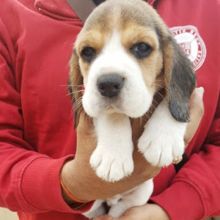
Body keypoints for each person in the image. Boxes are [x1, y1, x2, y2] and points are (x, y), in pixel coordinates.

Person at [0, 1, 219, 220]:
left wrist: (173, 209)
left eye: (141, 47)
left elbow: (184, 95)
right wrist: (73, 184)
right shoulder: (8, 13)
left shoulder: (211, 8)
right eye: (88, 51)